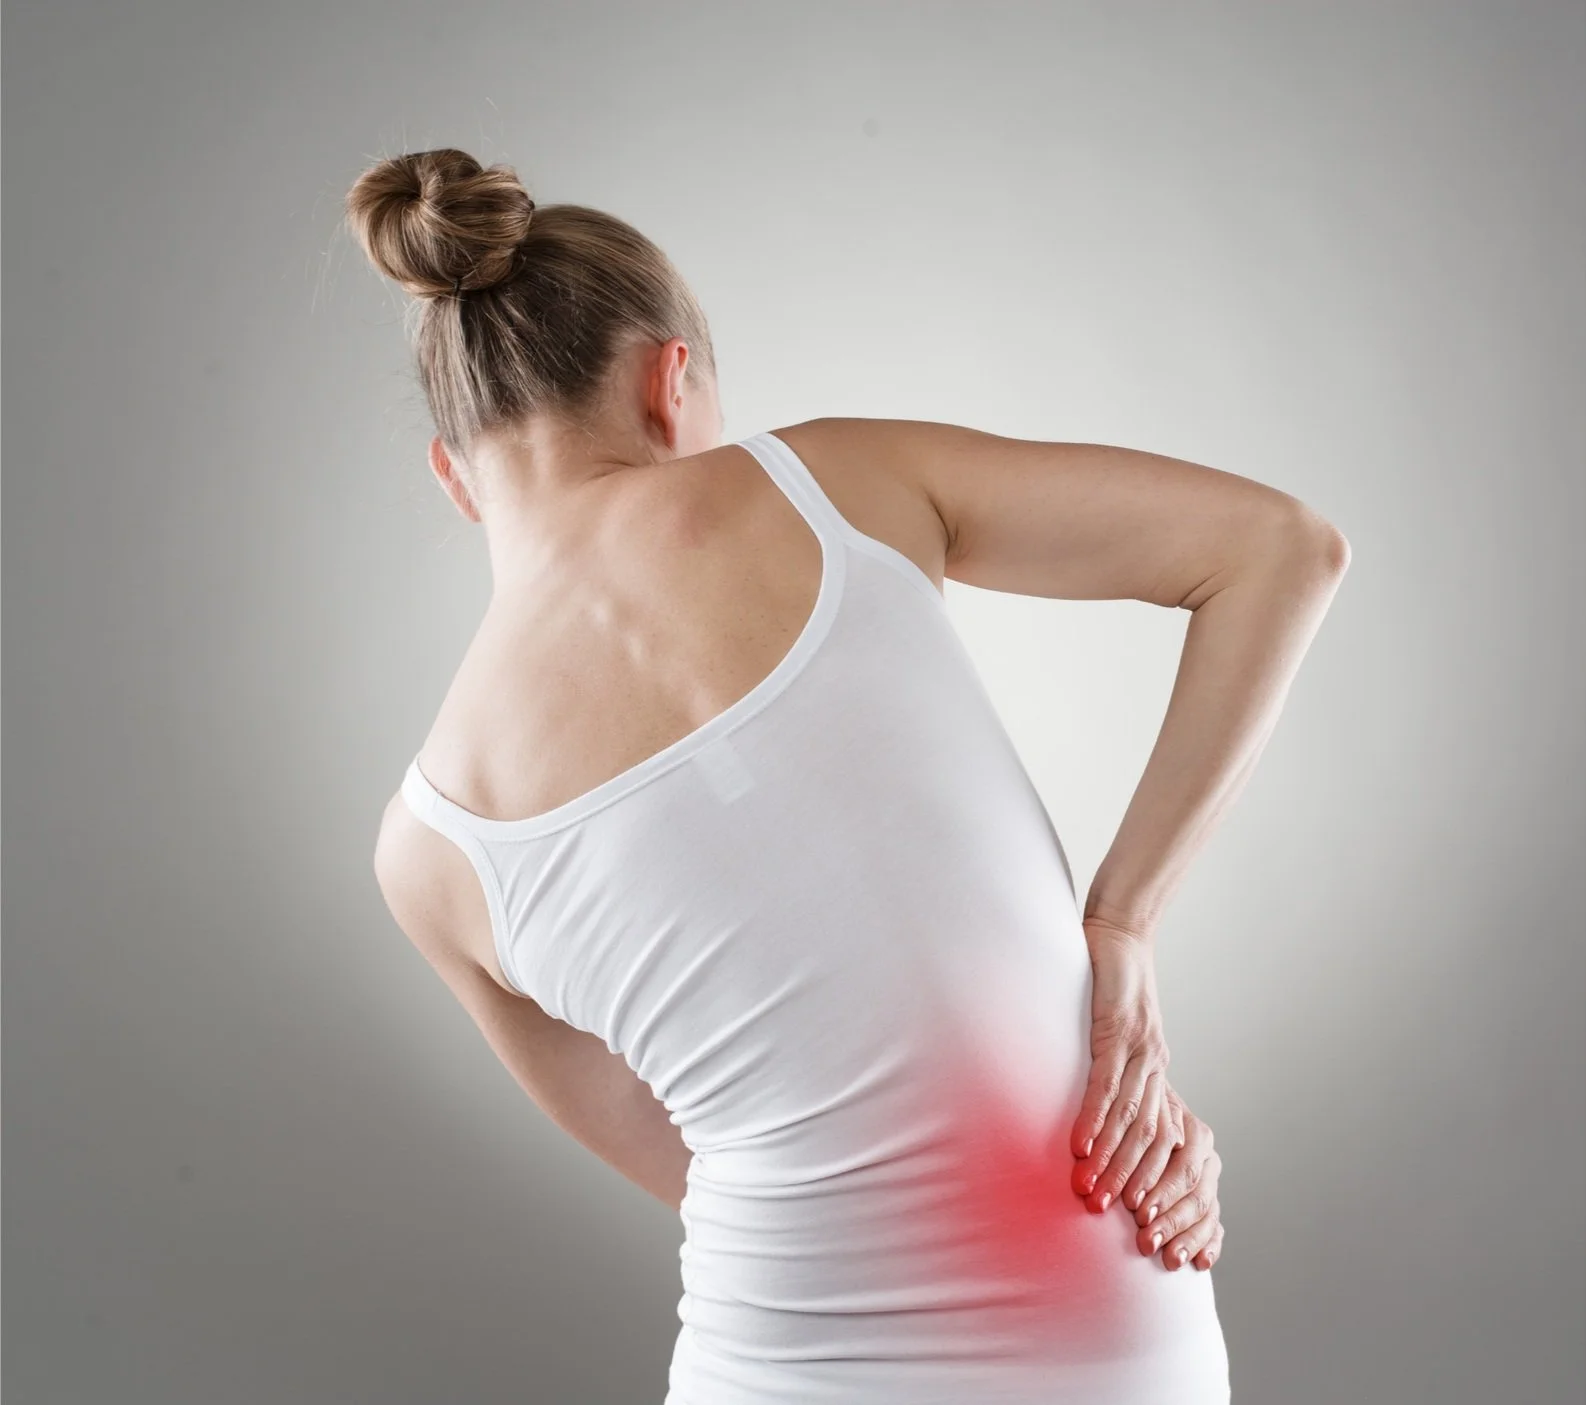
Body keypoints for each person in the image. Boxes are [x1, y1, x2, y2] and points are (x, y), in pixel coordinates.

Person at [357, 148, 1349, 1404]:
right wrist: (1120, 936)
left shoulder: (427, 854)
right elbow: (1278, 547)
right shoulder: (831, 486)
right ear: (672, 383)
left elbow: (752, 1158)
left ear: (453, 481)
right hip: (1103, 1355)